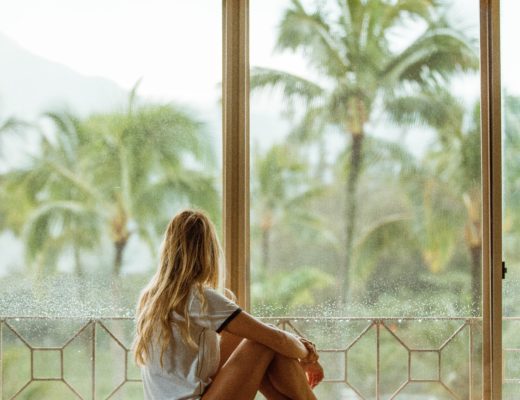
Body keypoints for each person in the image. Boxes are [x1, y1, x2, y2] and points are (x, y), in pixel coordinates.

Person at [132, 209, 324, 400]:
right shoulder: (198, 298)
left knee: (247, 340)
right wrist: (308, 355)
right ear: (209, 252)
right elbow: (277, 339)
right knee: (264, 343)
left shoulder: (150, 298)